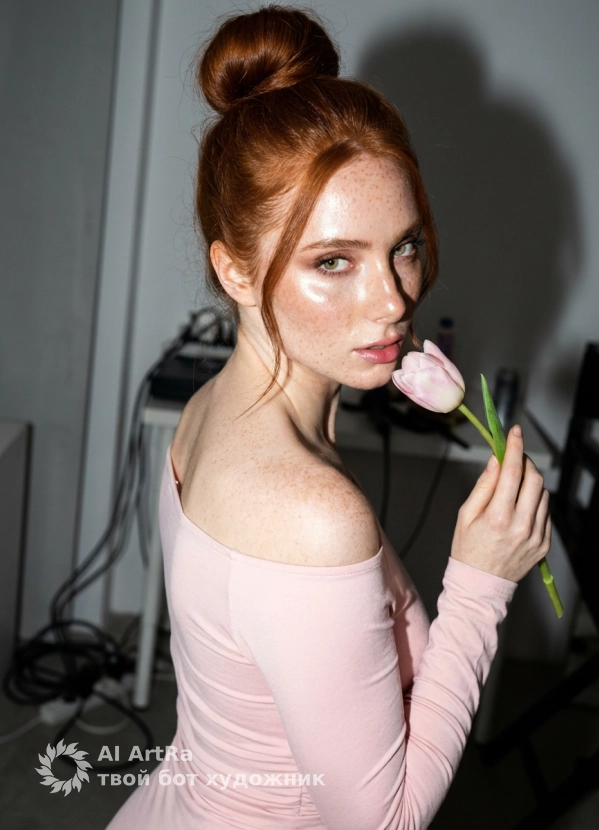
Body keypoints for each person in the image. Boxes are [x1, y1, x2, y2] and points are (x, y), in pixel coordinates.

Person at [105, 5, 551, 829]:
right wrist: (481, 582)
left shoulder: (211, 409)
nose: (393, 301)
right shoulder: (311, 511)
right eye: (333, 261)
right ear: (236, 272)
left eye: (403, 246)